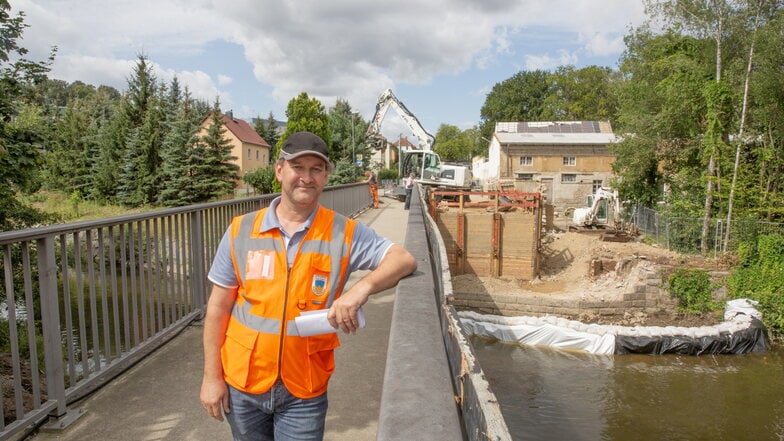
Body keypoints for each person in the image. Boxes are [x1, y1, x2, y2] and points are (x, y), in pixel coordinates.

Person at [200, 131, 417, 441]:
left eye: (316, 169)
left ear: (326, 175)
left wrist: (361, 289)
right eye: (297, 167)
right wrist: (211, 378)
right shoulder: (241, 230)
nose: (306, 177)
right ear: (279, 170)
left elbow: (403, 259)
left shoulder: (343, 232)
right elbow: (218, 308)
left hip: (304, 389)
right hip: (243, 383)